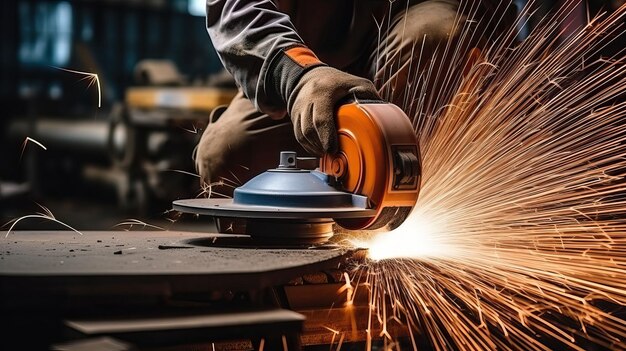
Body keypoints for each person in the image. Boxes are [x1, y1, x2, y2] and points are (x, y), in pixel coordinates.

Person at [195, 0, 516, 193]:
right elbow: (236, 10)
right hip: (304, 56)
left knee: (436, 35)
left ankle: (404, 198)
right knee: (225, 156)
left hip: (408, 45)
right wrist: (300, 76)